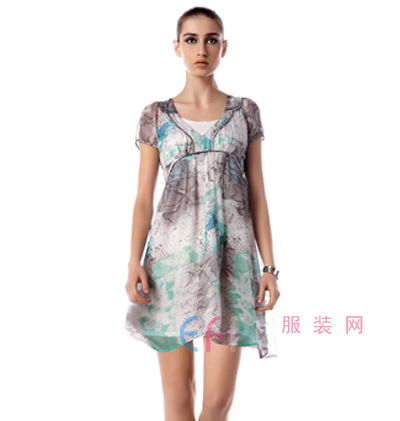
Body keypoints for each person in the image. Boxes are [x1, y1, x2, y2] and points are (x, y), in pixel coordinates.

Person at [125, 6, 280, 421]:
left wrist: (269, 267)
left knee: (217, 402)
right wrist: (133, 261)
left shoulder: (244, 112)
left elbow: (257, 194)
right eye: (191, 40)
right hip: (171, 266)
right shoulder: (155, 116)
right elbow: (143, 199)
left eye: (211, 40)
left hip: (232, 264)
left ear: (224, 47)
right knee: (178, 398)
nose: (201, 49)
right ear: (176, 47)